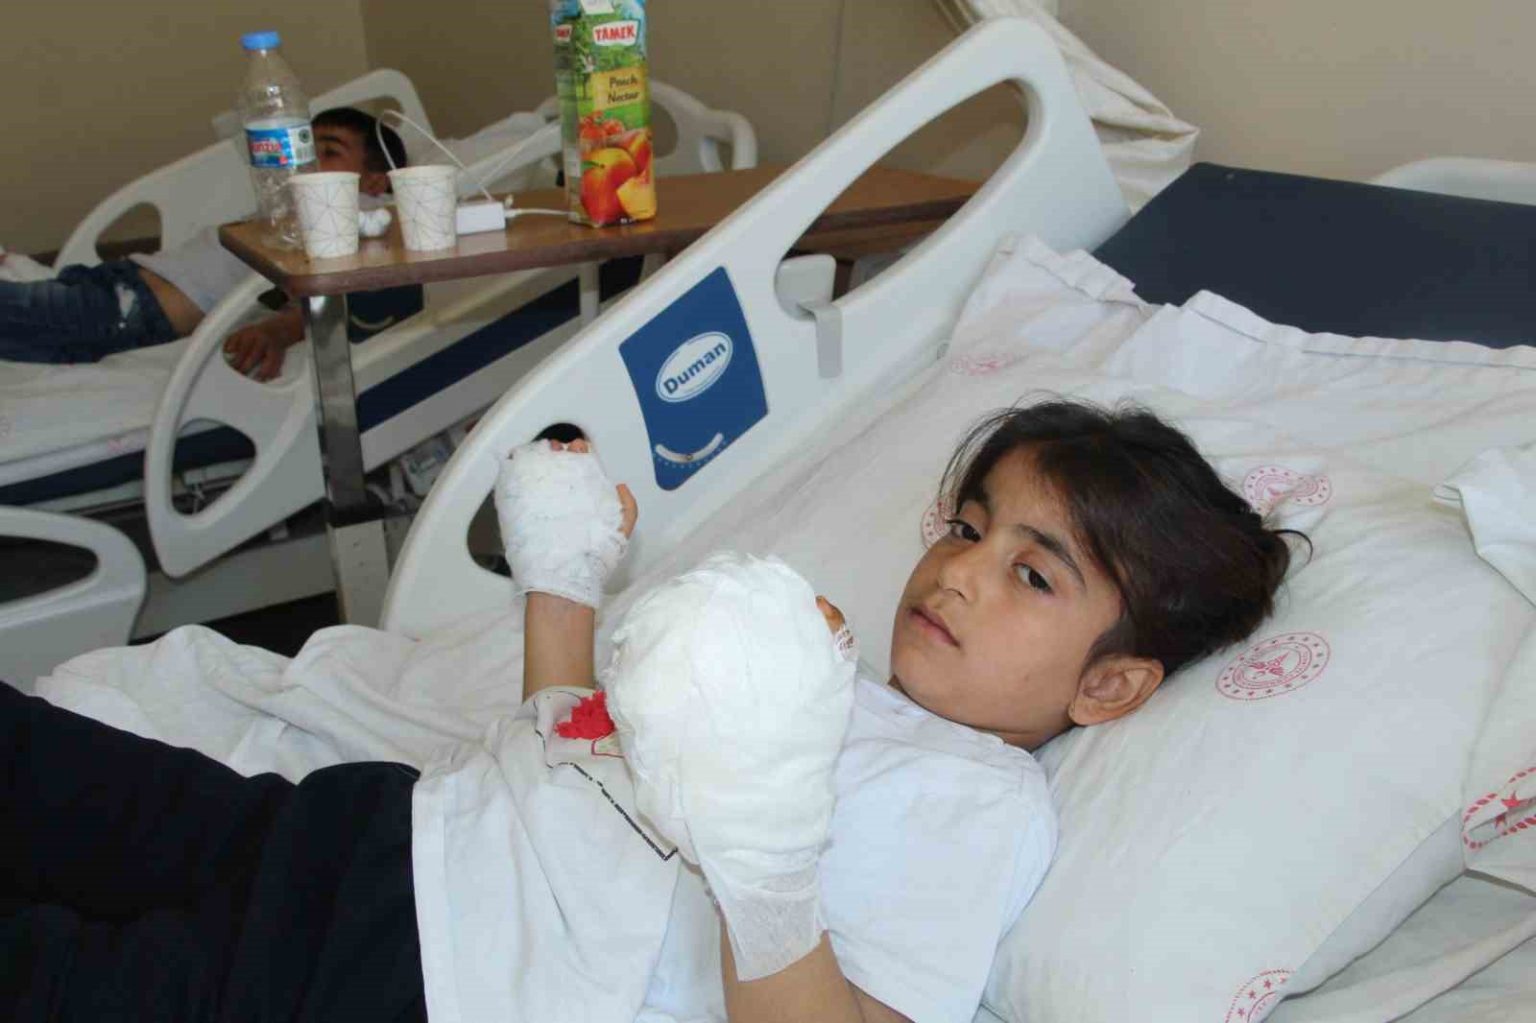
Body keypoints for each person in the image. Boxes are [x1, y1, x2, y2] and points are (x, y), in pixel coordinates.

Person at [1, 399, 1296, 1022]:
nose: (958, 570)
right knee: (56, 772)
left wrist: (763, 849)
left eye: (1032, 573)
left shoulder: (982, 803)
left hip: (423, 982)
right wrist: (562, 581)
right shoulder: (804, 670)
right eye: (967, 526)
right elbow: (567, 781)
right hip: (376, 832)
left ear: (1109, 683)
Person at [0, 108, 406, 381]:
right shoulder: (297, 203)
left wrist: (278, 331)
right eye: (306, 148)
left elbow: (341, 290)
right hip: (117, 283)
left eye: (329, 151)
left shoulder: (363, 214)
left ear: (375, 181)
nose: (307, 161)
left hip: (132, 308)